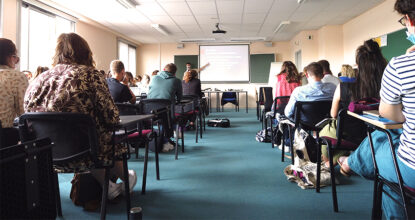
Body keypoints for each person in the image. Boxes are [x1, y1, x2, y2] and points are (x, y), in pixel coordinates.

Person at [24, 33, 137, 200]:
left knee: (85, 136)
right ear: (86, 52)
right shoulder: (91, 75)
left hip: (44, 154)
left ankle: (110, 186)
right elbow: (111, 117)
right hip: (85, 151)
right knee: (103, 138)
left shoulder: (37, 80)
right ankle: (126, 178)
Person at [339, 1, 415, 218]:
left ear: (409, 20)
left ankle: (350, 163)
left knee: (378, 143)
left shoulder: (401, 66)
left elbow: (392, 116)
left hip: (412, 169)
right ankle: (350, 163)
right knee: (385, 138)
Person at [320, 39, 387, 167]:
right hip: (380, 136)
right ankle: (348, 160)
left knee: (326, 130)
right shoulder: (390, 85)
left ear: (357, 65)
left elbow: (333, 114)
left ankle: (332, 162)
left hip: (350, 135)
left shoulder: (344, 87)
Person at [0, 38, 29, 147]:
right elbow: (24, 113)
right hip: (3, 140)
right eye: (15, 58)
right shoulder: (16, 76)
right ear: (9, 57)